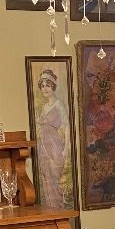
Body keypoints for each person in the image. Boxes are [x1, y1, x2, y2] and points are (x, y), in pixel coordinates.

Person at [36, 68, 71, 209]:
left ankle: (59, 209)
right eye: (43, 85)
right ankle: (50, 211)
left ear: (53, 87)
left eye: (48, 85)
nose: (45, 88)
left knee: (55, 178)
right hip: (43, 145)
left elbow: (67, 127)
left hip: (55, 145)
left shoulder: (59, 105)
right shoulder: (43, 107)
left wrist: (66, 148)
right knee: (47, 178)